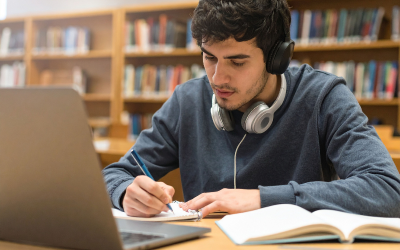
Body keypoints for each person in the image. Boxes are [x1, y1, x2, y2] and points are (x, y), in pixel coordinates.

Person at [102, 0, 400, 218]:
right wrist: (127, 192)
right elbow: (113, 175)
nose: (217, 78)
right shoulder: (188, 99)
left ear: (277, 58)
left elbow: (387, 190)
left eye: (237, 62)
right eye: (209, 58)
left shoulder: (323, 96)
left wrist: (264, 198)